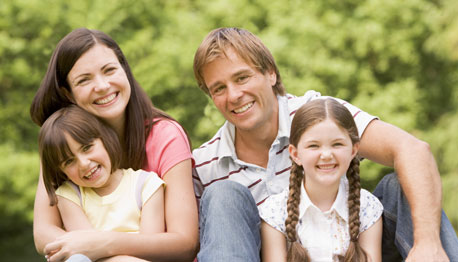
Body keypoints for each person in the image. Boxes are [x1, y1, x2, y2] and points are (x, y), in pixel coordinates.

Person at [192, 27, 458, 262]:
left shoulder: (319, 116)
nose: (235, 95)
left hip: (352, 249)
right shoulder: (204, 164)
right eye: (219, 88)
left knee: (400, 183)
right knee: (223, 194)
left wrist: (428, 244)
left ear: (270, 73)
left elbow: (413, 150)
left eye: (242, 78)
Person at [30, 28, 198, 262]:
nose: (102, 86)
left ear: (125, 71)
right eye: (84, 80)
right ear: (68, 94)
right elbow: (44, 234)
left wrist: (101, 244)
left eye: (109, 70)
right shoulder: (62, 142)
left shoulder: (165, 135)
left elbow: (184, 244)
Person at [259, 98, 383, 261]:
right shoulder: (275, 212)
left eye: (337, 144)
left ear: (354, 150)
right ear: (295, 154)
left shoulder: (367, 207)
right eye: (314, 146)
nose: (326, 155)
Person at [39, 105, 165, 262]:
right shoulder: (69, 195)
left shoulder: (147, 185)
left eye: (87, 148)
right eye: (69, 161)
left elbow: (151, 251)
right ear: (61, 170)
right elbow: (85, 251)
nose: (84, 164)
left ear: (105, 138)